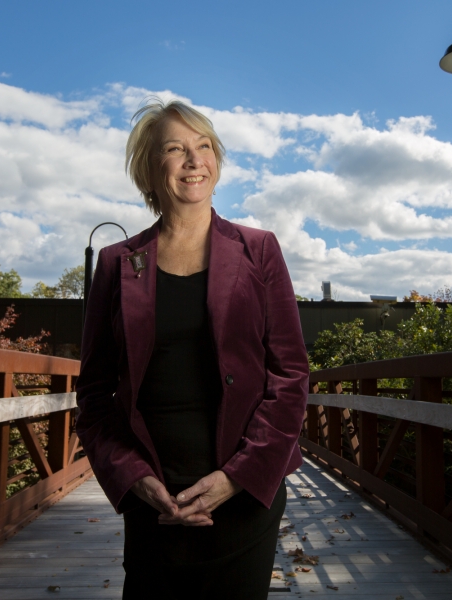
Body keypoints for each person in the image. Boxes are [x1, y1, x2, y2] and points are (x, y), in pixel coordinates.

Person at [75, 99, 309, 599]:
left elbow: (290, 377)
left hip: (243, 496)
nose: (193, 159)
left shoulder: (259, 250)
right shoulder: (117, 264)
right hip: (153, 498)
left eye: (204, 147)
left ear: (217, 162)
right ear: (150, 168)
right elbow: (93, 395)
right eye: (176, 148)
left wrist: (236, 477)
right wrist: (134, 479)